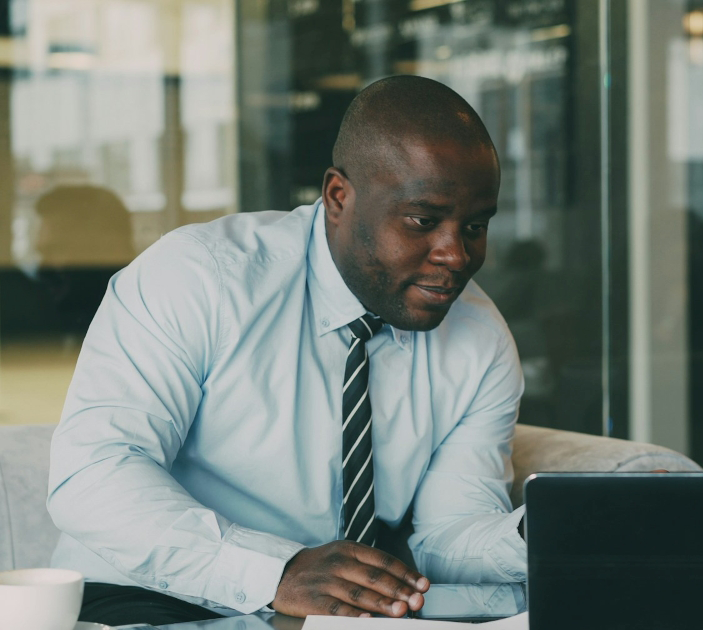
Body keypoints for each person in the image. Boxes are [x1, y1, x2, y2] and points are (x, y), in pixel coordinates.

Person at [47, 75, 526, 625]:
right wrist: (274, 572)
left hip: (328, 616)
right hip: (152, 596)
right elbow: (93, 475)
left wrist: (536, 533)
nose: (456, 255)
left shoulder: (480, 338)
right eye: (423, 221)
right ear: (338, 197)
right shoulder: (200, 277)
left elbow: (447, 533)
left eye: (475, 226)